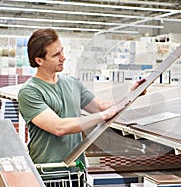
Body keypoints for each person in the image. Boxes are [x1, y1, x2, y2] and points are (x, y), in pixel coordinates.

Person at [17, 28, 146, 185]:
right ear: (39, 60)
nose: (63, 58)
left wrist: (131, 93)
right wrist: (103, 116)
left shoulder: (71, 83)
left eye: (62, 51)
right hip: (48, 175)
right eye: (56, 55)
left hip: (76, 173)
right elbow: (59, 127)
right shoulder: (30, 91)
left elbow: (101, 107)